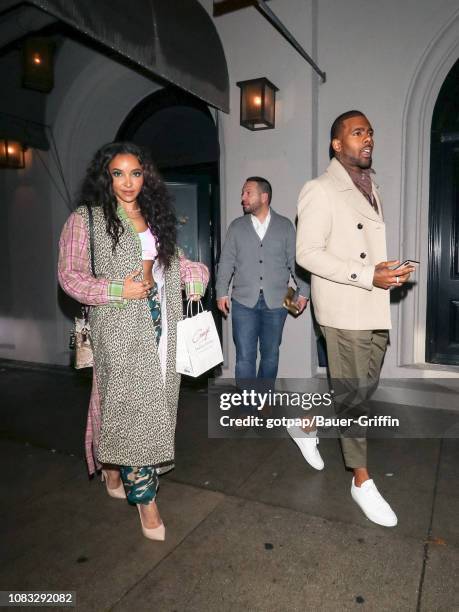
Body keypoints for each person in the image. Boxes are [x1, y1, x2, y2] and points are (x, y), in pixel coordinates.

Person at [58, 142, 208, 541]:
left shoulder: (155, 216)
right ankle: (146, 500)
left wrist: (196, 275)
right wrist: (116, 289)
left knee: (154, 400)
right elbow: (70, 277)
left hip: (165, 321)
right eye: (118, 173)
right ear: (105, 177)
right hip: (120, 325)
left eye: (136, 173)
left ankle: (113, 463)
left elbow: (179, 263)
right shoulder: (86, 218)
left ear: (147, 176)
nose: (128, 182)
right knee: (131, 405)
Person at [296, 111, 415, 527]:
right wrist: (368, 274)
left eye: (371, 132)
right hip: (344, 310)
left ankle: (306, 425)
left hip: (372, 304)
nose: (368, 139)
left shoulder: (370, 185)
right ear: (337, 143)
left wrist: (386, 274)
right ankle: (361, 480)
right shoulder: (320, 189)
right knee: (353, 400)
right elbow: (307, 254)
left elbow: (358, 245)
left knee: (359, 392)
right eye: (358, 132)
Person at [216, 176, 308, 395]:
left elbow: (295, 261)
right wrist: (221, 292)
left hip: (277, 302)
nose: (243, 198)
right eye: (242, 193)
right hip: (242, 302)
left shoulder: (285, 226)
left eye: (248, 193)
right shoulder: (236, 227)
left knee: (270, 355)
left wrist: (304, 291)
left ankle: (263, 398)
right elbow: (226, 261)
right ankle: (247, 406)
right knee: (245, 358)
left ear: (264, 197)